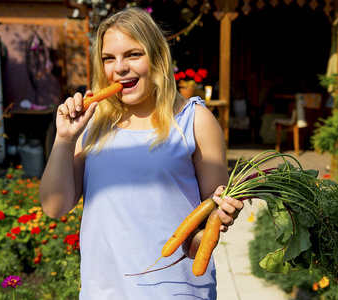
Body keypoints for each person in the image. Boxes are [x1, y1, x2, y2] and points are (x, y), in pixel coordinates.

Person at [39, 7, 244, 300]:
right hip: (104, 291)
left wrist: (222, 217)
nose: (119, 68)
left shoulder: (195, 120)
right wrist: (64, 138)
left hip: (177, 290)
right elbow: (54, 207)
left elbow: (209, 219)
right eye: (109, 58)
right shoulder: (92, 123)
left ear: (158, 57)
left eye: (133, 54)